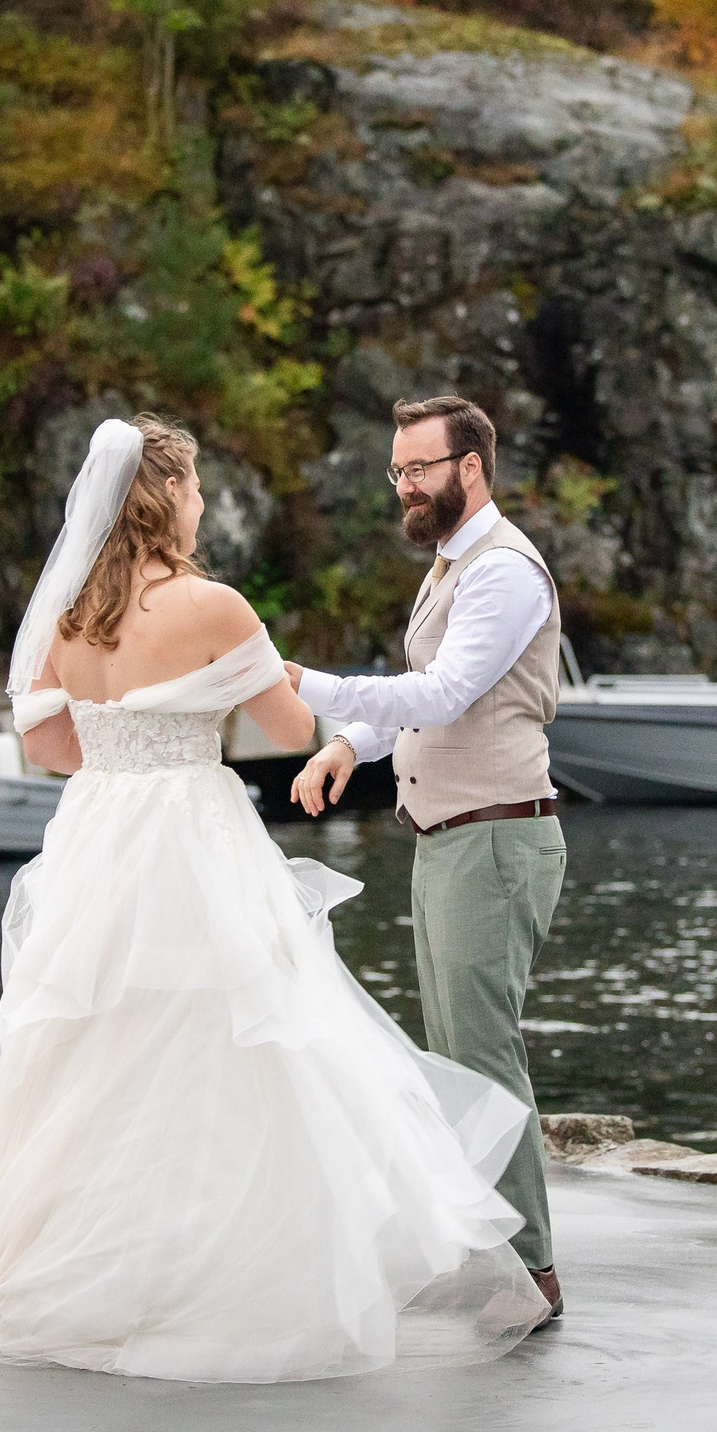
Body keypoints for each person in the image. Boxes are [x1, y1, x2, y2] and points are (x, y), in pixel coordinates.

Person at [0, 412, 551, 1383]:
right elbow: (288, 720)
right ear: (167, 497)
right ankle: (212, 1273)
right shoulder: (212, 605)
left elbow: (48, 746)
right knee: (227, 1043)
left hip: (97, 835)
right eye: (197, 486)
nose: (205, 499)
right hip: (189, 832)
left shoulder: (66, 615)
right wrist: (229, 707)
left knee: (94, 1049)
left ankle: (78, 1273)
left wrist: (127, 742)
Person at [286, 394, 568, 1320]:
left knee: (484, 1054)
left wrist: (306, 685)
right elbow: (416, 702)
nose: (405, 486)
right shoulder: (451, 564)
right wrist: (345, 743)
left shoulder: (505, 570)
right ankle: (483, 1253)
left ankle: (530, 1274)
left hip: (497, 835)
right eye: (397, 472)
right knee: (452, 1055)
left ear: (470, 467)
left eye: (419, 469)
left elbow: (445, 692)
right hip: (450, 835)